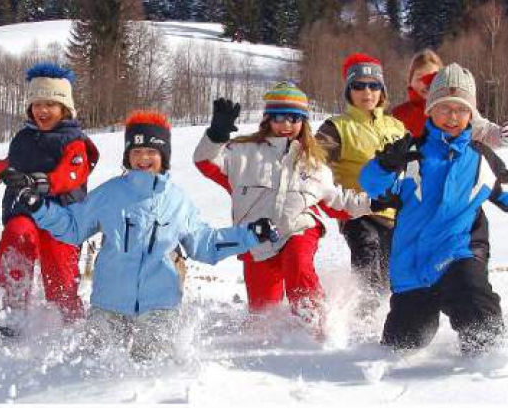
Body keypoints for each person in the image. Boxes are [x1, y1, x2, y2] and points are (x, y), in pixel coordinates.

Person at [9, 111, 278, 362]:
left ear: (164, 156)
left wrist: (249, 235)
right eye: (136, 151)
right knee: (94, 368)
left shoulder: (177, 201)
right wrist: (39, 207)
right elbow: (73, 227)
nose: (143, 158)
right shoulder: (110, 194)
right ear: (128, 156)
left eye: (151, 151)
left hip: (160, 307)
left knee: (151, 370)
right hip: (108, 304)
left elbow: (204, 245)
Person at [193, 83, 372, 339]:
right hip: (256, 241)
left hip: (298, 230)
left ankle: (316, 328)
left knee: (298, 264)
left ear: (304, 123)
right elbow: (205, 161)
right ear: (267, 119)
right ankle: (275, 343)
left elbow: (338, 203)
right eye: (279, 117)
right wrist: (216, 135)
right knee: (263, 317)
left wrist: (373, 202)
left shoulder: (314, 163)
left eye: (294, 118)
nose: (286, 124)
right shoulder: (242, 153)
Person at [359, 63, 507, 356]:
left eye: (461, 109)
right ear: (430, 110)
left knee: (479, 307)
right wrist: (385, 165)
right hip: (411, 267)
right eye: (444, 108)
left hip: (456, 256)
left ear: (471, 115)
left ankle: (486, 368)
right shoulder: (411, 154)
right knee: (403, 345)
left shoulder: (481, 160)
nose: (453, 116)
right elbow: (374, 187)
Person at [0, 63, 99, 333]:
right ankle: (9, 311)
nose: (42, 111)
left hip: (62, 216)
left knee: (58, 261)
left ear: (64, 108)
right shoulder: (24, 138)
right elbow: (14, 163)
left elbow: (73, 173)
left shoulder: (73, 141)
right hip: (25, 211)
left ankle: (67, 320)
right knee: (17, 234)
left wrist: (43, 182)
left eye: (50, 105)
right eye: (37, 104)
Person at [315, 53, 406, 318]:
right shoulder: (337, 127)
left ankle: (384, 317)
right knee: (368, 249)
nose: (367, 91)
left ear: (382, 90)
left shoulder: (397, 126)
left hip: (394, 213)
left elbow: (419, 162)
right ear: (349, 91)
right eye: (359, 85)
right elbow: (312, 158)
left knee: (392, 272)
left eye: (374, 85)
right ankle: (362, 315)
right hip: (358, 210)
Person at [391, 49, 507, 148]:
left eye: (432, 77)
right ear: (410, 80)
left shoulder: (460, 107)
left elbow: (483, 131)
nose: (427, 84)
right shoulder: (399, 115)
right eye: (420, 78)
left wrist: (501, 134)